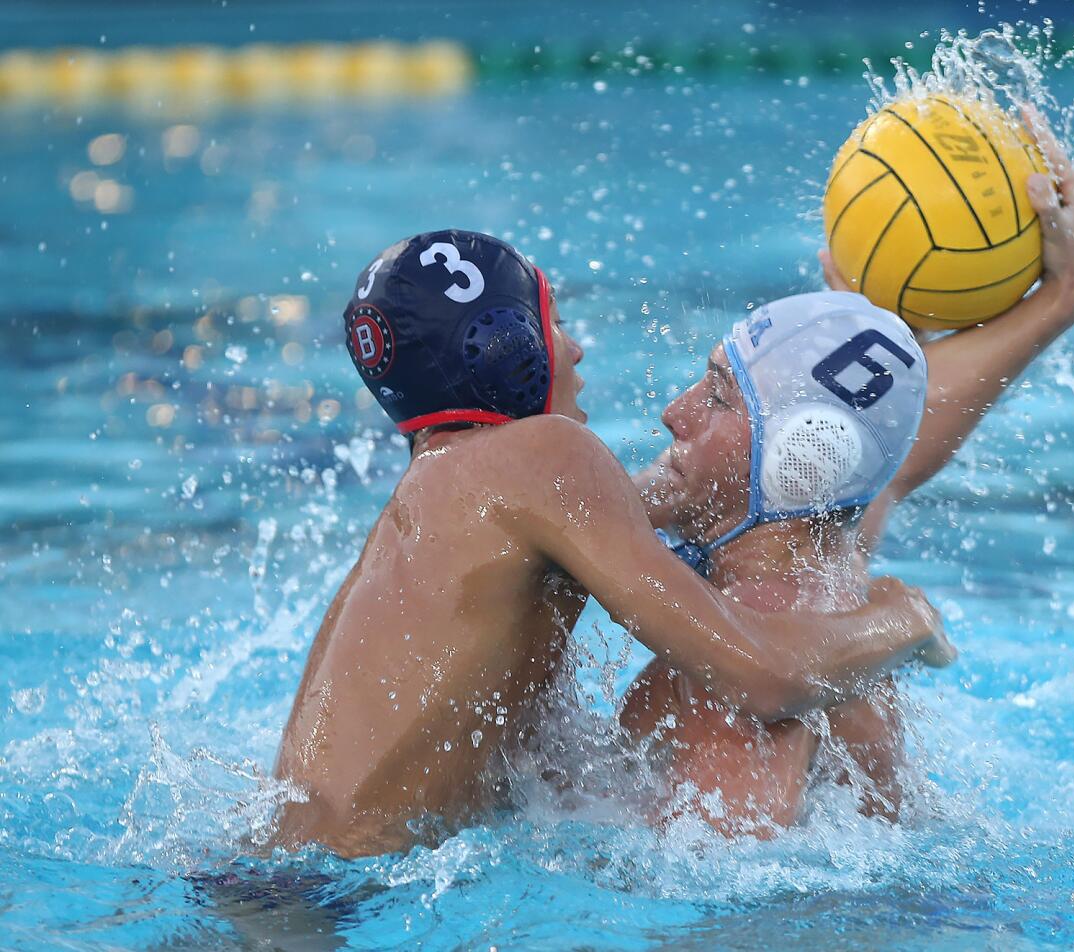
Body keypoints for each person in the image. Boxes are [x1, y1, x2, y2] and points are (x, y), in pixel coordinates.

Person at [270, 230, 950, 859]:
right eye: (555, 320)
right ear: (507, 347)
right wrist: (905, 619)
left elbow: (799, 477)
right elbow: (761, 676)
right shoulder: (545, 456)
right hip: (343, 898)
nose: (576, 347)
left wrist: (848, 343)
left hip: (299, 882)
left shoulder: (465, 485)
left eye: (715, 396)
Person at [620, 107, 1074, 835]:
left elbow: (731, 903)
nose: (674, 414)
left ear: (798, 460)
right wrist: (1066, 298)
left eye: (718, 395)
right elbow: (887, 450)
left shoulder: (755, 652)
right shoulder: (829, 566)